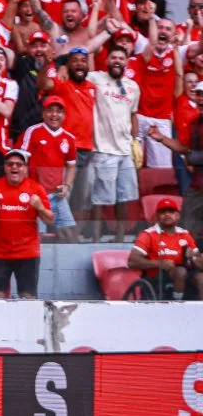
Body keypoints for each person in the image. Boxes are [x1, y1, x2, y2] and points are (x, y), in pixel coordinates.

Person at [0, 149, 54, 299]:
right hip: (0, 252)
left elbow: (50, 220)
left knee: (28, 297)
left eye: (19, 164)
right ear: (5, 167)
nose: (14, 167)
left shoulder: (36, 188)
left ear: (25, 169)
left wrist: (40, 207)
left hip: (27, 253)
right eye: (10, 164)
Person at [87, 46, 140, 243]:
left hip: (125, 150)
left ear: (126, 62)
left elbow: (133, 115)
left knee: (124, 198)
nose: (117, 61)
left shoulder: (133, 86)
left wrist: (136, 141)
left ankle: (119, 238)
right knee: (100, 199)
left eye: (121, 58)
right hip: (103, 149)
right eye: (113, 57)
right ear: (107, 61)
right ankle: (95, 239)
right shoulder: (96, 78)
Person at [20, 96, 79, 242]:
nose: (54, 115)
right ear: (43, 113)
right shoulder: (33, 131)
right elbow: (22, 161)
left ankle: (66, 264)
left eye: (58, 111)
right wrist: (27, 188)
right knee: (36, 236)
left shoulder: (69, 138)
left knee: (68, 234)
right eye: (50, 111)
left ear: (64, 115)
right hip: (36, 194)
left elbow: (71, 166)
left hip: (57, 195)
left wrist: (67, 186)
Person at [128, 198, 203, 300]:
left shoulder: (185, 234)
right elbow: (132, 262)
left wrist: (193, 258)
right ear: (157, 216)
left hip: (184, 276)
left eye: (171, 211)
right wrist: (158, 263)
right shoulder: (148, 234)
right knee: (180, 272)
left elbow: (199, 262)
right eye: (163, 212)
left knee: (200, 278)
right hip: (157, 276)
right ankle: (177, 303)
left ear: (178, 216)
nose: (167, 214)